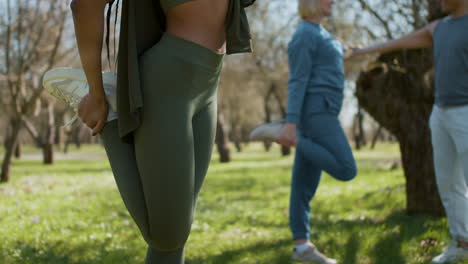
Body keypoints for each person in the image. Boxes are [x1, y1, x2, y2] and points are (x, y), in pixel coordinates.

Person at [44, 0, 255, 263]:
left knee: (176, 231)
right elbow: (85, 6)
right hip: (166, 82)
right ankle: (110, 115)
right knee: (168, 235)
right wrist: (95, 90)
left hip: (208, 82)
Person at [348, 0, 468, 263]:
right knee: (449, 184)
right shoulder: (438, 28)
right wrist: (363, 50)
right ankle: (461, 242)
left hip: (466, 112)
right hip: (441, 112)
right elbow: (399, 42)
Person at [278, 0, 358, 262]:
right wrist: (291, 123)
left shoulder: (321, 34)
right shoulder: (304, 34)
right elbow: (298, 79)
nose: (332, 1)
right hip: (316, 112)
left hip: (322, 111)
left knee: (302, 187)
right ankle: (297, 139)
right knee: (346, 169)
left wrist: (347, 51)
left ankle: (302, 248)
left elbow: (330, 56)